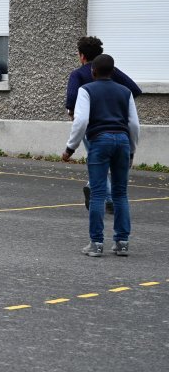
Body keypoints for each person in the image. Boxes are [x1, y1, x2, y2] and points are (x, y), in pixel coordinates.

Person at [62, 54, 139, 257]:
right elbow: (133, 124)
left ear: (93, 71)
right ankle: (122, 242)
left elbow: (81, 121)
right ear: (113, 72)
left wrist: (71, 147)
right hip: (122, 140)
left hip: (100, 140)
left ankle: (96, 243)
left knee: (97, 194)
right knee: (121, 193)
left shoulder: (86, 90)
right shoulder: (125, 91)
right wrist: (131, 149)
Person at [64, 36, 142, 211]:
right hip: (117, 126)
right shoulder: (112, 72)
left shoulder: (78, 74)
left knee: (97, 158)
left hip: (91, 126)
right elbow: (134, 89)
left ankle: (106, 197)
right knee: (107, 161)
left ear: (82, 56)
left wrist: (73, 113)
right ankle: (104, 194)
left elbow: (71, 99)